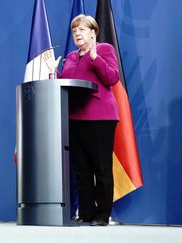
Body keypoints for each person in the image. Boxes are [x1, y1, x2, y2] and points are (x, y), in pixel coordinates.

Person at [46, 14, 119, 226]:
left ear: (93, 32)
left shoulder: (105, 50)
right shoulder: (70, 56)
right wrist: (54, 72)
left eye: (82, 29)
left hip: (100, 117)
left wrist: (95, 58)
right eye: (74, 30)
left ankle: (102, 215)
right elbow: (66, 83)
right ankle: (86, 213)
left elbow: (112, 78)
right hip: (74, 117)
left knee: (101, 168)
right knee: (82, 169)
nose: (77, 33)